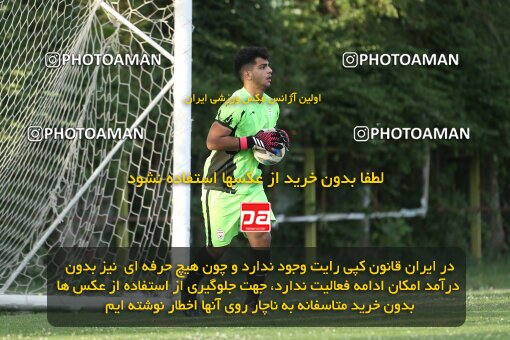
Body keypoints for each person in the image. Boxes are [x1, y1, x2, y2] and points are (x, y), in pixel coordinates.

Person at [181, 46, 289, 316]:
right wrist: (254, 141)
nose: (269, 70)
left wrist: (276, 148)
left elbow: (265, 147)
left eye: (269, 66)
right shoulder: (235, 103)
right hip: (222, 186)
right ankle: (188, 291)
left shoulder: (272, 106)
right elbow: (213, 140)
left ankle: (252, 303)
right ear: (248, 73)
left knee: (262, 239)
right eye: (263, 66)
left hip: (252, 187)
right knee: (217, 248)